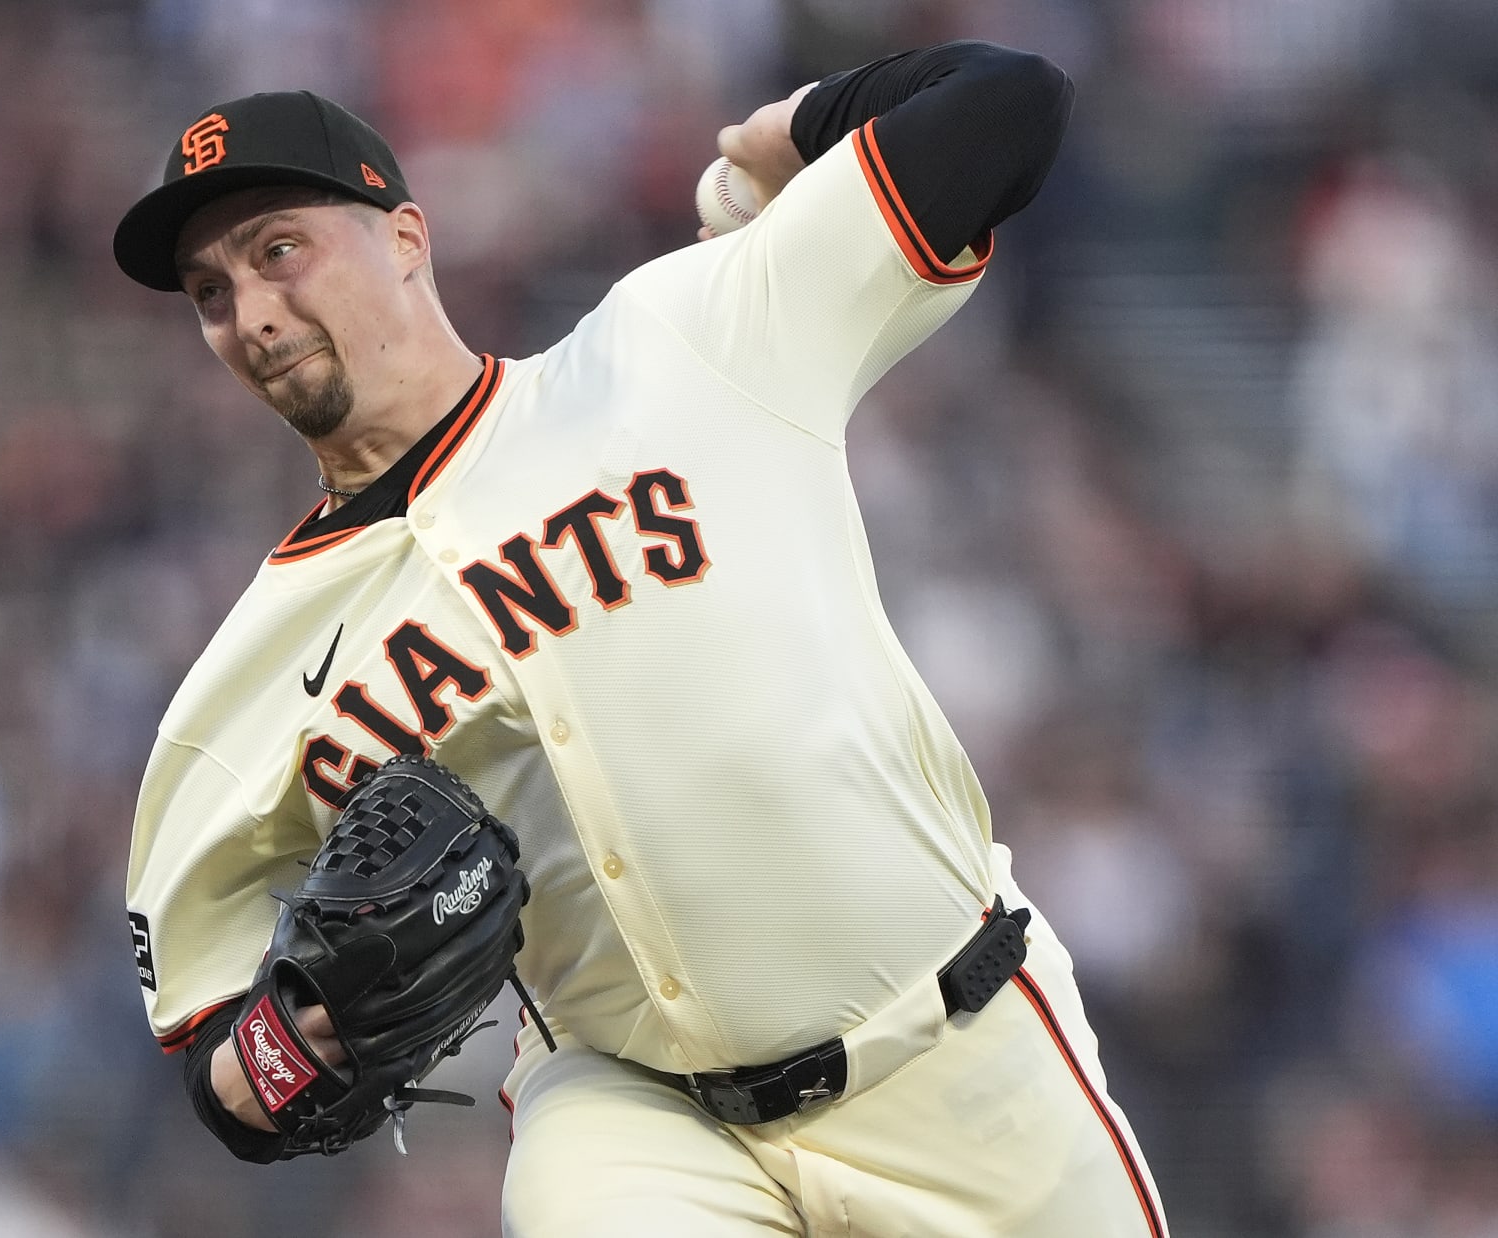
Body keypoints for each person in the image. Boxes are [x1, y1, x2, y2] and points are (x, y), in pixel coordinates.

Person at [115, 40, 1168, 1238]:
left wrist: (796, 127)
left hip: (958, 1047)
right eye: (211, 291)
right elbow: (214, 1054)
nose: (252, 312)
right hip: (636, 1120)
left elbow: (1011, 104)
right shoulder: (240, 686)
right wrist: (290, 1045)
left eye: (278, 250)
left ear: (406, 236)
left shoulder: (682, 341)